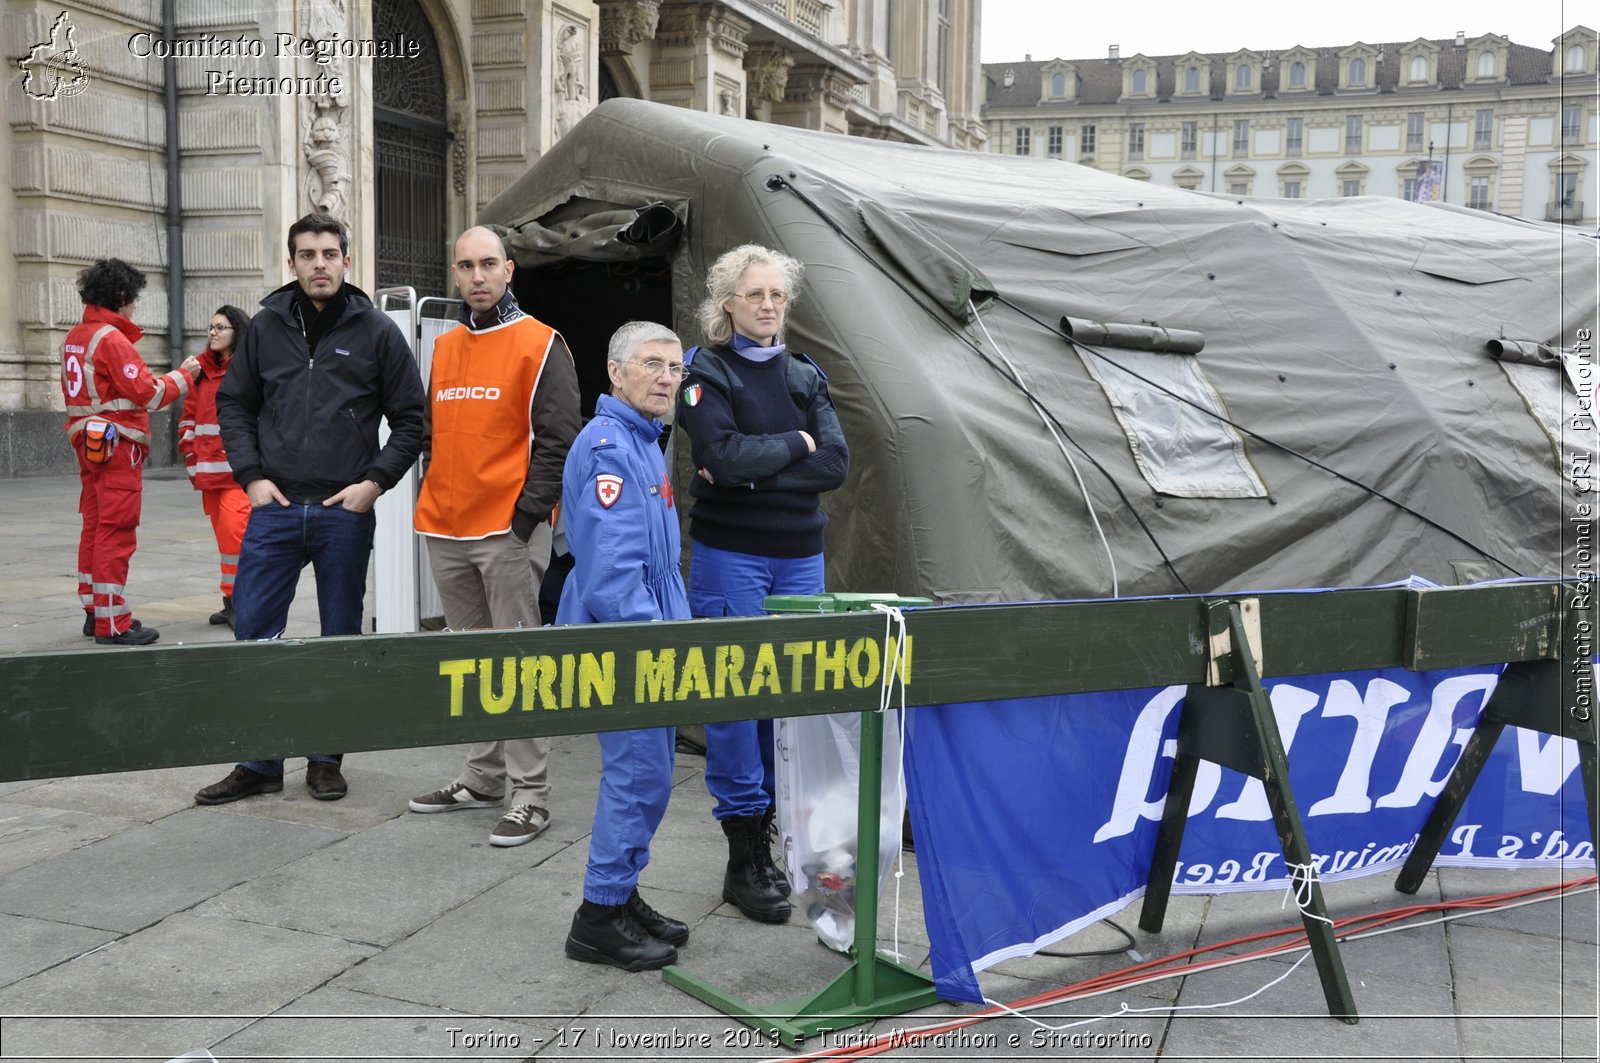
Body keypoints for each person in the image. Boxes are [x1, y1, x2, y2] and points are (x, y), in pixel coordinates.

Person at [196, 212, 426, 805]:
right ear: (292, 262)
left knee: (338, 639)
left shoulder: (377, 332)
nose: (319, 263)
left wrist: (374, 484)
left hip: (342, 511)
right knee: (253, 633)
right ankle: (259, 760)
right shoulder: (265, 329)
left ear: (347, 261)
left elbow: (411, 422)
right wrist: (249, 477)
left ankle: (325, 758)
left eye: (329, 253)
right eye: (307, 254)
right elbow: (234, 405)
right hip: (273, 508)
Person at [676, 244, 849, 923]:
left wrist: (759, 463)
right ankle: (743, 855)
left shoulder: (805, 373)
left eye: (777, 294)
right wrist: (795, 445)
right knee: (734, 702)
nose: (768, 305)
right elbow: (717, 452)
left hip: (799, 558)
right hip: (731, 556)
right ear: (728, 304)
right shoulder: (705, 369)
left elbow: (834, 461)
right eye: (755, 295)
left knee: (788, 702)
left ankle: (779, 841)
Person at [407, 226, 580, 847]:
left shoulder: (542, 343)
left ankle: (530, 793)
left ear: (509, 270)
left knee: (520, 661)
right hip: (446, 528)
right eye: (465, 267)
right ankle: (482, 777)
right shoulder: (446, 347)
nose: (476, 277)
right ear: (454, 275)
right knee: (474, 660)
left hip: (505, 533)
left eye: (488, 265)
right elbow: (432, 434)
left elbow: (561, 439)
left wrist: (524, 521)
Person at [561, 321, 693, 972]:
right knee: (638, 774)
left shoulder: (643, 439)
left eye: (674, 366)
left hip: (650, 623)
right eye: (652, 364)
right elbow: (613, 579)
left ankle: (621, 890)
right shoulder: (613, 447)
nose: (667, 377)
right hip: (630, 639)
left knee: (651, 774)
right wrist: (656, 647)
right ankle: (598, 915)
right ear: (616, 372)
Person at [61, 258, 201, 646]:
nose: (135, 306)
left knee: (94, 523)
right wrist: (185, 374)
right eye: (134, 299)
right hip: (117, 445)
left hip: (88, 443)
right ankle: (113, 621)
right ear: (121, 296)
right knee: (116, 529)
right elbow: (151, 394)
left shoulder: (75, 336)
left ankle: (94, 608)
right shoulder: (110, 339)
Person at [177, 305, 253, 628]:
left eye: (221, 327)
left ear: (237, 332)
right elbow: (188, 419)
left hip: (238, 476)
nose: (213, 332)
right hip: (209, 476)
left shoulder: (247, 369)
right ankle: (230, 602)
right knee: (226, 547)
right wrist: (191, 459)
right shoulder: (202, 372)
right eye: (211, 327)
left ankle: (243, 603)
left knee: (237, 540)